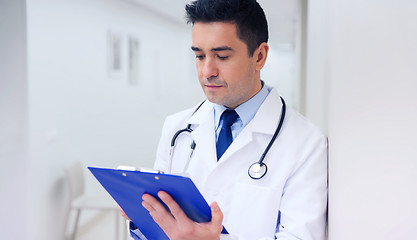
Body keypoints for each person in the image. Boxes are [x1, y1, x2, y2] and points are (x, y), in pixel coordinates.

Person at [123, 0, 328, 239]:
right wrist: (144, 219)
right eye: (199, 56)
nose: (207, 71)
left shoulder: (306, 144)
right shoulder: (177, 128)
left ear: (259, 56)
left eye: (221, 56)